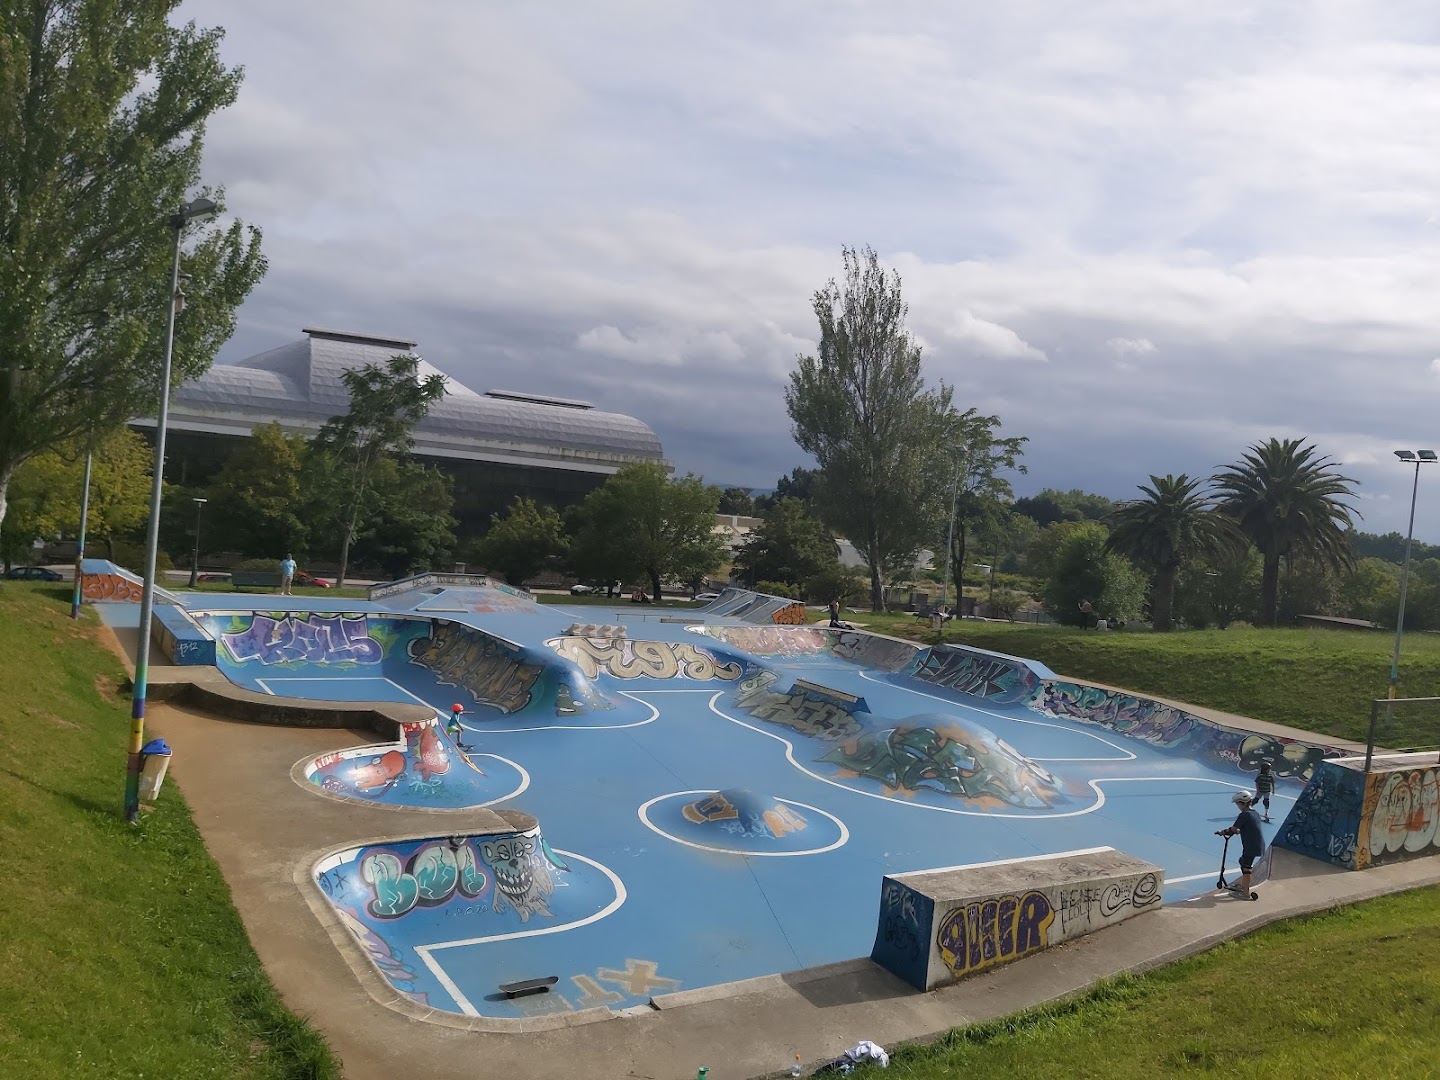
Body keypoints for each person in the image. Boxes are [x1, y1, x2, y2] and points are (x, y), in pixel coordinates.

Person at [1216, 791, 1265, 896]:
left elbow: (1233, 829)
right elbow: (1250, 828)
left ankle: (1245, 893)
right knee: (1243, 862)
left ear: (1242, 803)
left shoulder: (1244, 815)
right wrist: (1240, 831)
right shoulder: (1255, 813)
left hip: (1251, 846)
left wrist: (1223, 832)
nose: (1237, 806)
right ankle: (1243, 885)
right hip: (1258, 845)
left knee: (1246, 867)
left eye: (1237, 803)